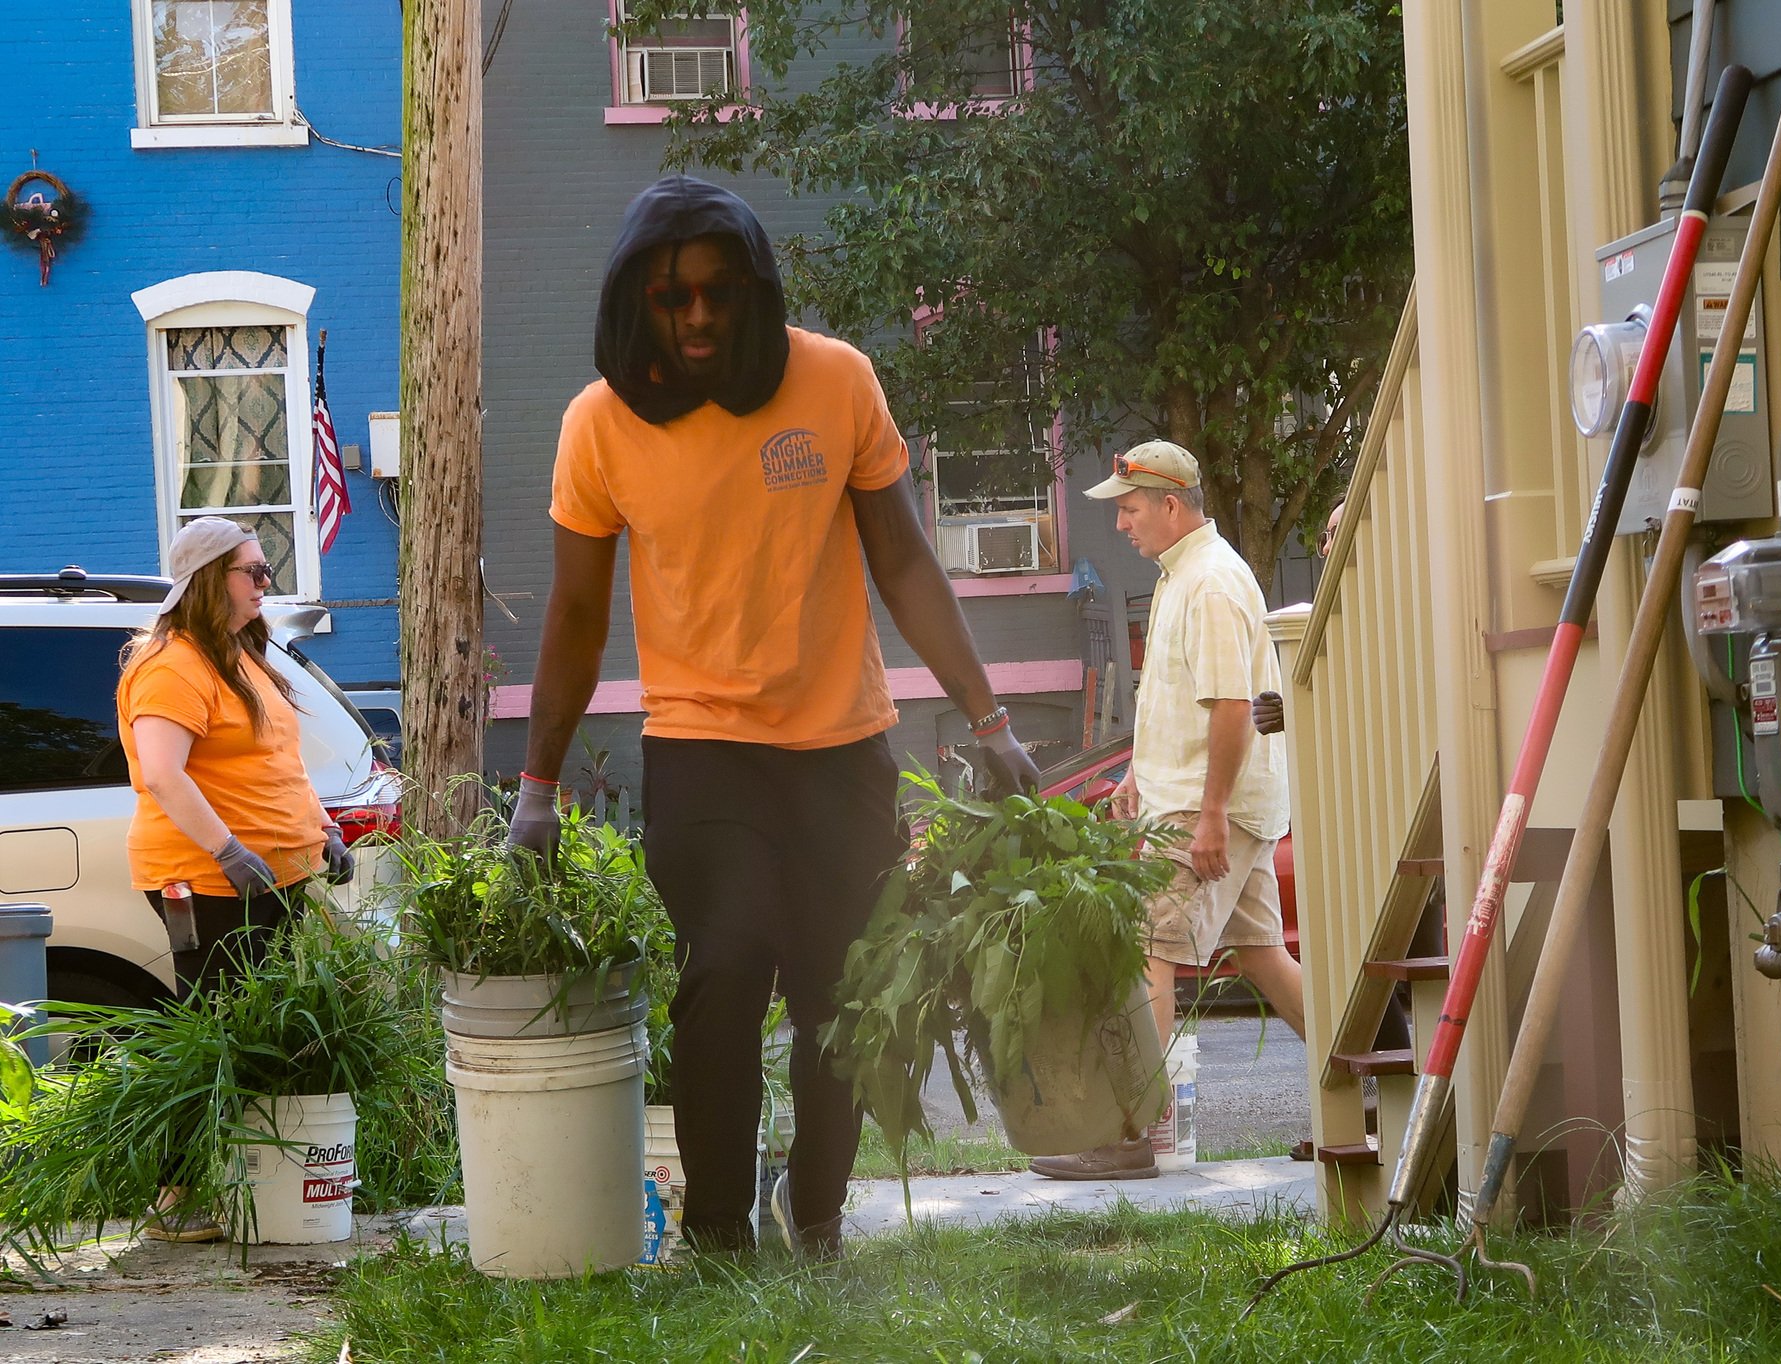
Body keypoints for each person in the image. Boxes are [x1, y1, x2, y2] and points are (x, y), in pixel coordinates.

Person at [505, 175, 1038, 1258]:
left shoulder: (833, 381)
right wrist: (536, 786)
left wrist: (989, 722)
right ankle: (713, 1233)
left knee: (836, 990)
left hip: (841, 748)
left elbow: (901, 556)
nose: (696, 316)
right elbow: (572, 611)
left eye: (716, 293)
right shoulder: (598, 425)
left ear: (752, 292)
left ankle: (816, 1212)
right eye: (669, 297)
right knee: (729, 959)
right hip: (702, 747)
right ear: (635, 303)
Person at [1031, 440, 1305, 1180]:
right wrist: (1135, 779)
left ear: (1171, 504)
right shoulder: (1186, 576)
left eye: (1129, 508)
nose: (1121, 524)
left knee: (1146, 955)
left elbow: (1231, 709)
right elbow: (1179, 704)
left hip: (1204, 810)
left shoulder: (1210, 584)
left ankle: (1126, 1135)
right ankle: (1369, 1078)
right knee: (1264, 957)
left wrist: (1210, 814)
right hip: (1197, 799)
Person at [116, 516, 355, 1240]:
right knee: (212, 1030)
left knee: (263, 1029)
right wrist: (225, 849)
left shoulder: (242, 656)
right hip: (207, 880)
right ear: (206, 581)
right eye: (252, 571)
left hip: (275, 876)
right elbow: (162, 771)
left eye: (266, 568)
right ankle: (174, 1195)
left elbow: (279, 762)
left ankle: (260, 1179)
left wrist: (326, 831)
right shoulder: (173, 664)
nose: (265, 582)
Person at [1251, 498, 1342, 737]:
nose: (1326, 548)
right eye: (1326, 537)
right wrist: (1290, 711)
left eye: (1337, 534)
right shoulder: (1331, 617)